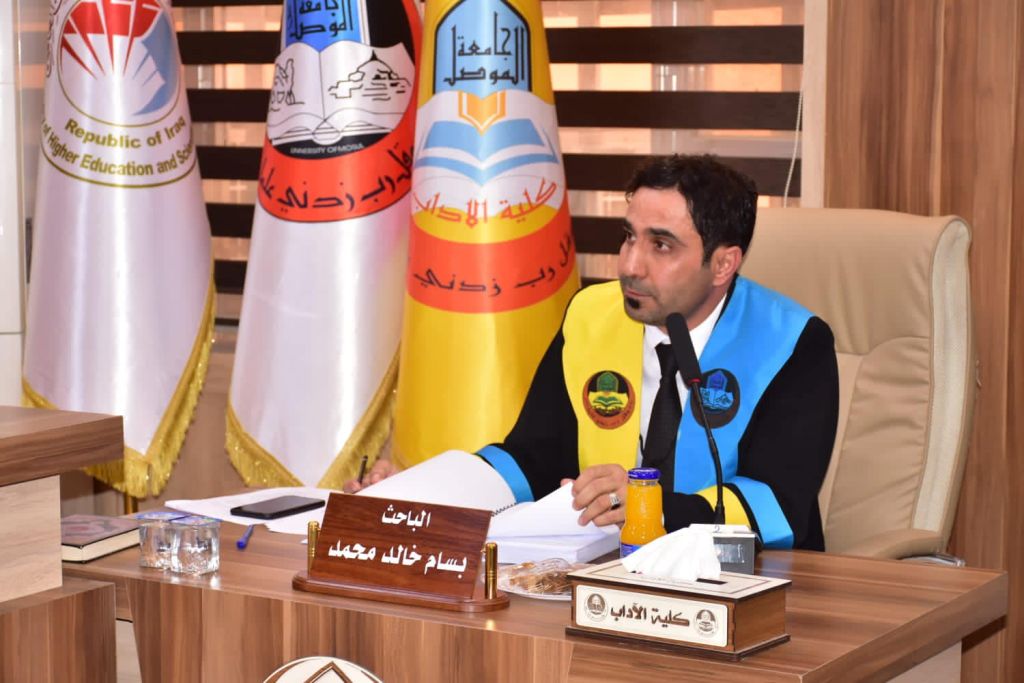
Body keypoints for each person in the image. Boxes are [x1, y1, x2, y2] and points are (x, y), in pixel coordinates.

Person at [349, 154, 839, 551]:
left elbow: (778, 504)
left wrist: (648, 505)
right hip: (603, 570)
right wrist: (423, 496)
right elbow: (532, 458)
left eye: (661, 246)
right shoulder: (591, 316)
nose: (630, 265)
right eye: (629, 237)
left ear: (723, 264)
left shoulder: (793, 343)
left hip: (750, 586)